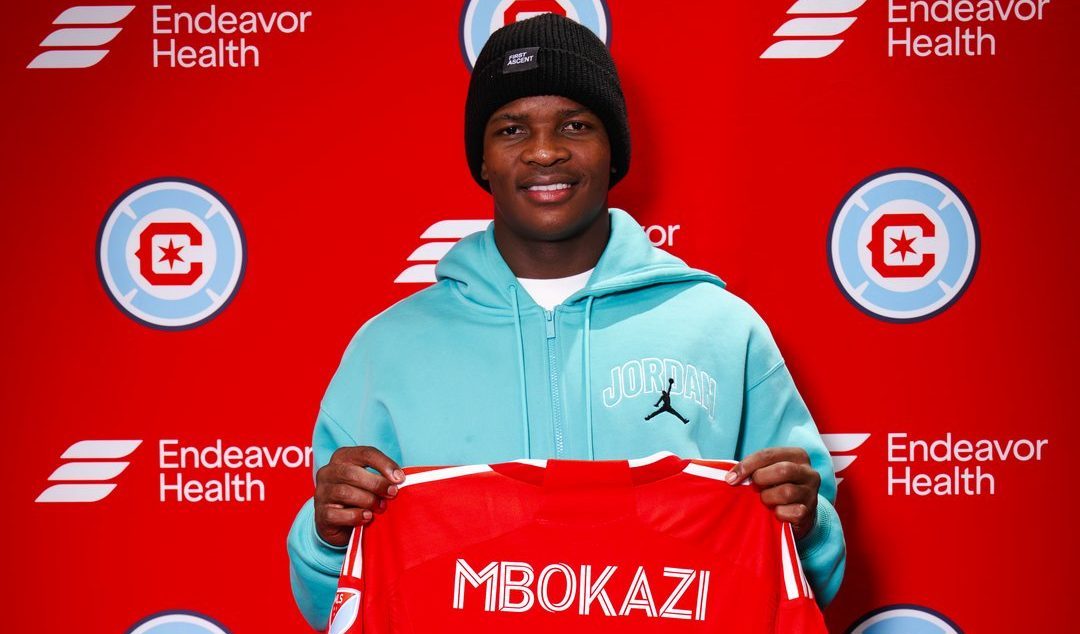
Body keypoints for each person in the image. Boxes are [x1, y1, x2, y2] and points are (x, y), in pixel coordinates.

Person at [287, 13, 845, 629]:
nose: (545, 151)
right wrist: (329, 539)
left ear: (615, 152)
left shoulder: (722, 330)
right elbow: (337, 605)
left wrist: (809, 524)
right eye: (512, 129)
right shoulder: (389, 348)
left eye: (575, 125)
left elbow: (804, 579)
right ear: (482, 160)